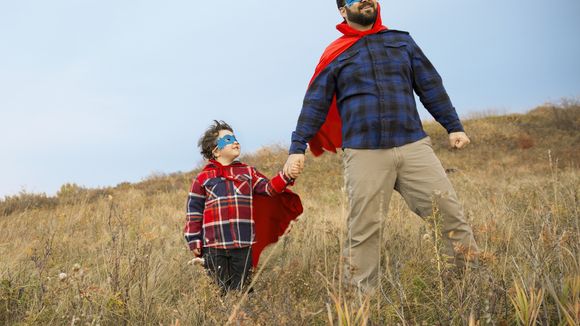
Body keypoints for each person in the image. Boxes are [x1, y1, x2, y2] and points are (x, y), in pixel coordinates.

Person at [283, 0, 479, 292]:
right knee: (364, 232)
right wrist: (297, 147)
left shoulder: (401, 41)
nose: (363, 0)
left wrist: (453, 126)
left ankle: (473, 288)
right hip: (364, 153)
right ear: (342, 11)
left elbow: (430, 85)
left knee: (450, 216)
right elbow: (315, 104)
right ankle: (361, 306)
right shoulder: (335, 54)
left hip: (413, 146)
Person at [184, 120, 301, 293]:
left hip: (243, 243)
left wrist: (286, 175)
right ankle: (223, 317)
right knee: (220, 289)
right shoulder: (202, 178)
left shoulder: (248, 172)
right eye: (228, 139)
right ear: (215, 150)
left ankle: (244, 317)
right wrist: (194, 240)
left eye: (235, 138)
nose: (235, 141)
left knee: (243, 289)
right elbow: (194, 212)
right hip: (214, 245)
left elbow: (269, 189)